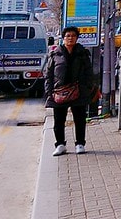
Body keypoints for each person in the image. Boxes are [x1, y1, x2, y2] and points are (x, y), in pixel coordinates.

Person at [45, 26, 95, 156]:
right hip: (59, 92)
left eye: (73, 36)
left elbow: (89, 73)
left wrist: (87, 88)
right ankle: (60, 145)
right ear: (63, 38)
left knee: (79, 119)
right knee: (59, 121)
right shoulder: (56, 54)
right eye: (68, 36)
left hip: (78, 92)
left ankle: (80, 144)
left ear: (77, 38)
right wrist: (49, 91)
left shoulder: (82, 53)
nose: (70, 38)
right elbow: (49, 74)